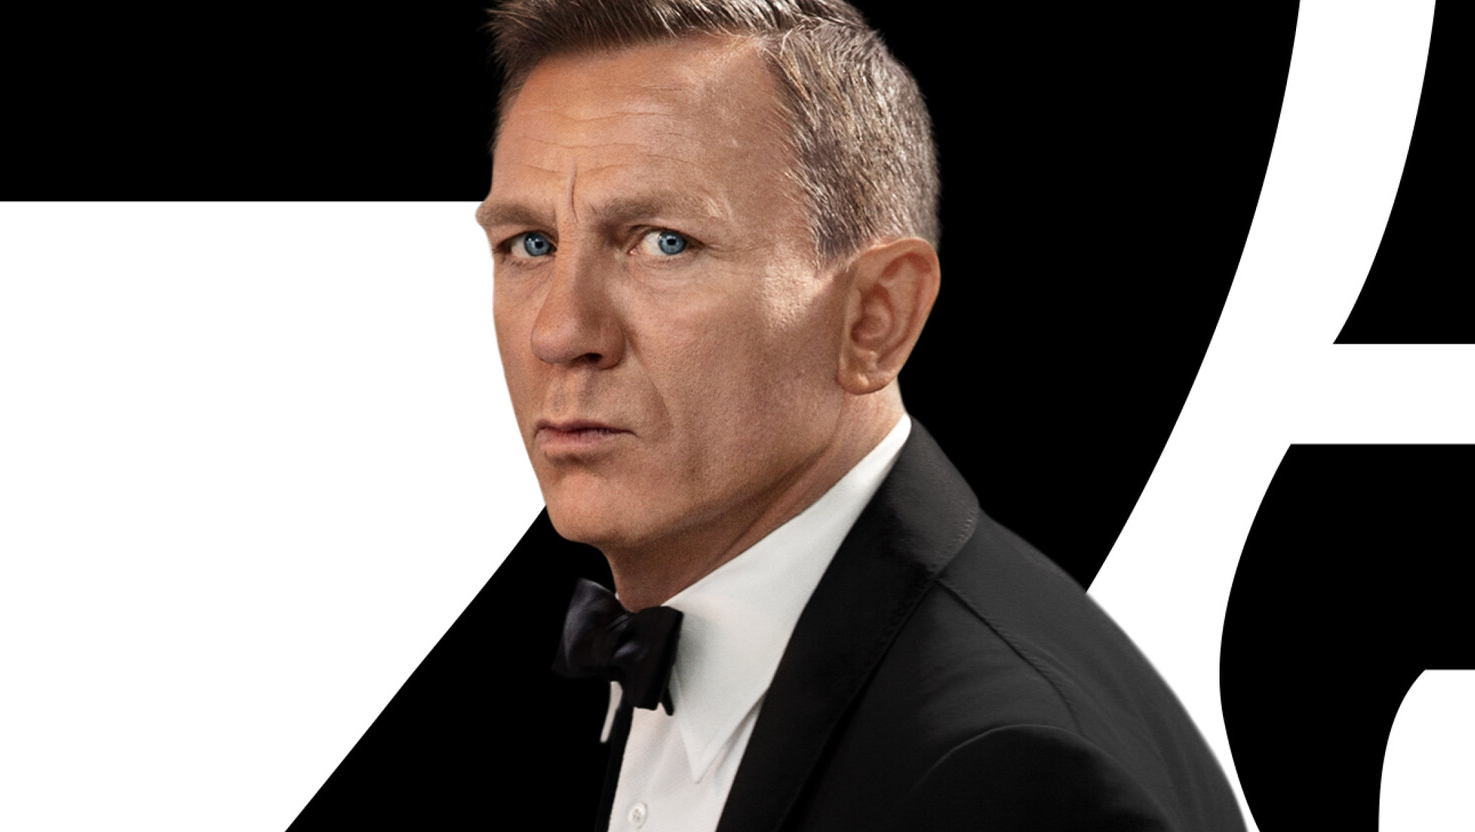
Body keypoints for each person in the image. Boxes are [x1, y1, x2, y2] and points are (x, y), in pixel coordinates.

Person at [288, 2, 1246, 830]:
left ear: (876, 317)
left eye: (664, 242)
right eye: (529, 243)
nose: (561, 332)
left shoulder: (1006, 777)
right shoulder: (697, 617)